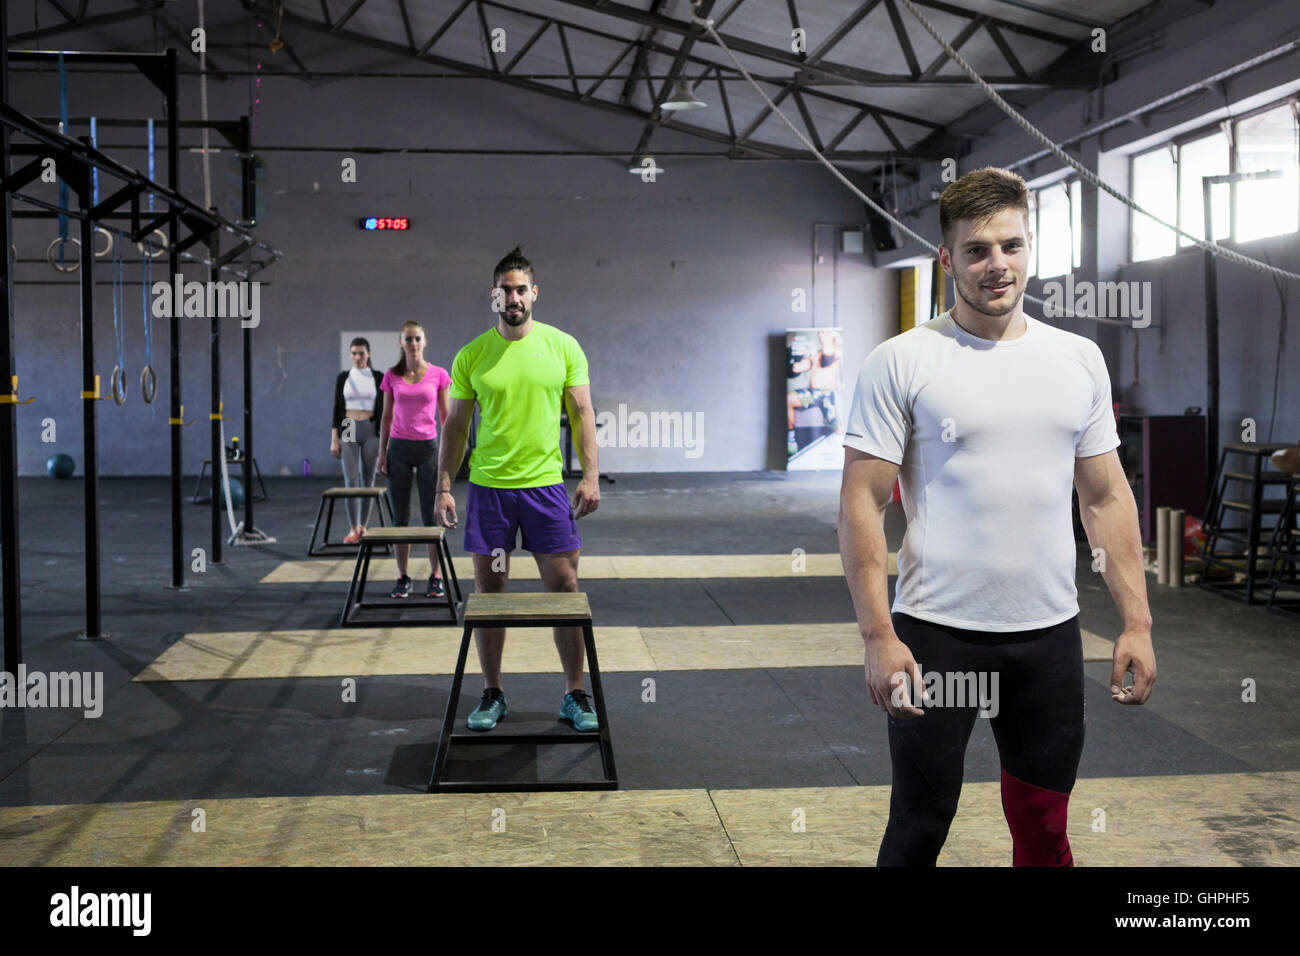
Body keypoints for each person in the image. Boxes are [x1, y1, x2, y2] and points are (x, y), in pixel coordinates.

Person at [838, 167, 1156, 867]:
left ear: (1030, 246)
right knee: (920, 826)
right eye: (977, 250)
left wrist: (1136, 621)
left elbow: (1104, 497)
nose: (997, 265)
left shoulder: (1078, 361)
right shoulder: (903, 362)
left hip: (1047, 640)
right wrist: (877, 636)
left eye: (1011, 246)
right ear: (946, 258)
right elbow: (862, 502)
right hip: (938, 637)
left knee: (1044, 831)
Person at [436, 246, 601, 733]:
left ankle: (574, 692)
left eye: (520, 289)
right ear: (494, 296)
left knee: (565, 589)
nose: (513, 296)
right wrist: (445, 485)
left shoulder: (563, 347)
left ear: (535, 293)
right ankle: (493, 692)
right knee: (489, 592)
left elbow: (583, 414)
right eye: (505, 290)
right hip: (489, 491)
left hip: (546, 489)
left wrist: (590, 475)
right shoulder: (472, 355)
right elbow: (456, 426)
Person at [376, 321, 452, 599]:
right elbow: (386, 416)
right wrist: (382, 453)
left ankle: (436, 575)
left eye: (417, 338)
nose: (413, 343)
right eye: (408, 339)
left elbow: (446, 418)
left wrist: (449, 455)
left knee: (432, 515)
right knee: (401, 517)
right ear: (401, 343)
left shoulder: (439, 375)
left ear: (425, 341)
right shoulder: (391, 376)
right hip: (398, 449)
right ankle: (403, 576)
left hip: (429, 449)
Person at [330, 337, 384, 544]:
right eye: (354, 353)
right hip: (349, 425)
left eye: (361, 353)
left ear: (368, 354)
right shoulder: (344, 377)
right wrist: (334, 439)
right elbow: (336, 408)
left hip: (370, 427)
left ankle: (364, 526)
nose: (357, 357)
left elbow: (385, 408)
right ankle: (353, 528)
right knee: (351, 479)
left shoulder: (377, 377)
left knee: (368, 480)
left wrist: (385, 439)